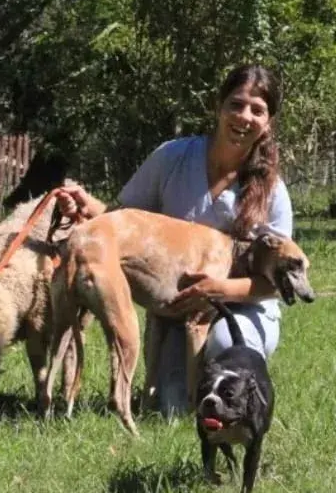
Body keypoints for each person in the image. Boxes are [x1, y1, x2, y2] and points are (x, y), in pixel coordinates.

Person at [55, 63, 293, 414]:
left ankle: (236, 401)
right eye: (236, 104)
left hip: (243, 308)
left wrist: (221, 289)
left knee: (225, 344)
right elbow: (123, 221)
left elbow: (278, 283)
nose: (244, 117)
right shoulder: (172, 157)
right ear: (218, 107)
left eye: (257, 110)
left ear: (268, 122)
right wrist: (84, 204)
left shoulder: (272, 191)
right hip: (175, 313)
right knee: (170, 408)